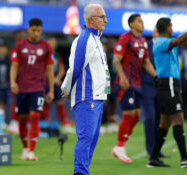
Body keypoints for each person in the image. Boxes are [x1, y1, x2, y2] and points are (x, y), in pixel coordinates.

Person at [147, 16, 187, 168]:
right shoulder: (161, 42)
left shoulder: (168, 43)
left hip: (168, 84)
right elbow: (180, 40)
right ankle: (184, 158)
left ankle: (153, 158)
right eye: (171, 25)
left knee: (164, 123)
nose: (172, 28)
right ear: (167, 27)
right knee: (178, 119)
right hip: (168, 83)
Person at [61, 4, 109, 175]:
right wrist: (66, 89)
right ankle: (80, 173)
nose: (106, 20)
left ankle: (83, 171)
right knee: (86, 138)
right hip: (86, 97)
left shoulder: (96, 39)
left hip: (97, 97)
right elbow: (74, 68)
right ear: (91, 20)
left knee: (92, 140)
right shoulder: (83, 39)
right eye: (102, 17)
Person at [112, 14, 157, 164]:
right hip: (125, 83)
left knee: (136, 116)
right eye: (139, 21)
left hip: (137, 85)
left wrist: (156, 77)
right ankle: (120, 147)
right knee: (129, 114)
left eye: (142, 21)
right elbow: (116, 60)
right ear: (131, 24)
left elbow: (146, 63)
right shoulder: (125, 38)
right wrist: (123, 77)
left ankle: (120, 146)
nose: (142, 23)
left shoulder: (143, 41)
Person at [10, 18, 54, 161]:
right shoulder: (20, 46)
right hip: (22, 88)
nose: (36, 33)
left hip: (37, 88)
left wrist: (51, 90)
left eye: (39, 31)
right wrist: (12, 82)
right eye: (34, 30)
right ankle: (24, 148)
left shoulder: (46, 47)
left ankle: (31, 151)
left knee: (35, 117)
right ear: (28, 29)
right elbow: (14, 66)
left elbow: (49, 70)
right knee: (22, 120)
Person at [141, 27, 168, 158]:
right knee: (150, 117)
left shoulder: (165, 46)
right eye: (158, 32)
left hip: (161, 86)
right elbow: (143, 64)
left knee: (160, 119)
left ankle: (157, 150)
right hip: (147, 86)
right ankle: (150, 149)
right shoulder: (146, 45)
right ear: (154, 33)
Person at [41, 37, 74, 134]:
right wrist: (51, 79)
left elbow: (62, 68)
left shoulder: (57, 55)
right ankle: (44, 124)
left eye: (54, 43)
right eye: (51, 42)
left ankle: (65, 123)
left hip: (55, 82)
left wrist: (58, 78)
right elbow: (43, 69)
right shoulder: (44, 54)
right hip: (46, 83)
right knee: (46, 102)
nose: (53, 44)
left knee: (60, 102)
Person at [8, 30, 28, 134]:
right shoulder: (14, 50)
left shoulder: (28, 49)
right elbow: (14, 65)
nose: (23, 37)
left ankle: (21, 122)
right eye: (20, 36)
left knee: (25, 102)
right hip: (17, 80)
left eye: (24, 36)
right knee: (16, 100)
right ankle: (14, 122)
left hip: (27, 81)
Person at [0, 39, 10, 121]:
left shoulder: (8, 60)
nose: (1, 50)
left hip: (7, 86)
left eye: (3, 48)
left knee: (7, 104)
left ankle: (6, 122)